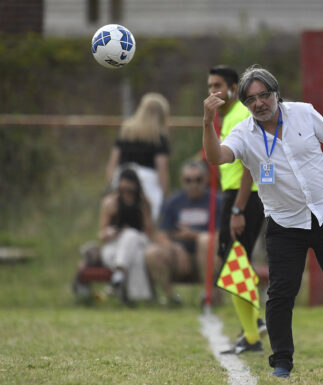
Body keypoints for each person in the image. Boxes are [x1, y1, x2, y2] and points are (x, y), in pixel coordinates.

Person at [202, 66, 323, 378]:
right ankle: (281, 361)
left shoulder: (304, 113)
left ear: (276, 93)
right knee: (282, 293)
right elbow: (216, 158)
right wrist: (206, 123)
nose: (259, 103)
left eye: (264, 95)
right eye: (251, 99)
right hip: (284, 223)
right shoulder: (243, 133)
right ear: (244, 104)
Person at [207, 65, 267, 354]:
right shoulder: (229, 116)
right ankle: (255, 325)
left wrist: (238, 209)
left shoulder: (241, 115)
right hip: (238, 197)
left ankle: (253, 334)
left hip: (244, 198)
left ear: (233, 88)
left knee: (234, 265)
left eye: (218, 85)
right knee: (236, 264)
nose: (212, 91)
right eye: (209, 86)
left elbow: (249, 167)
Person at [144, 161, 221, 305]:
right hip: (179, 257)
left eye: (198, 179)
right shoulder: (174, 202)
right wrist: (176, 249)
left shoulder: (216, 201)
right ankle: (169, 298)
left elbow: (220, 234)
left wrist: (194, 235)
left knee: (205, 240)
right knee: (152, 253)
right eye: (188, 180)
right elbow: (161, 234)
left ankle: (209, 294)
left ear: (206, 179)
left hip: (208, 256)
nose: (193, 184)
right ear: (182, 181)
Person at [106, 92, 171, 222]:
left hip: (122, 177)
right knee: (145, 219)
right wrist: (165, 195)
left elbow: (112, 163)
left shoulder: (126, 132)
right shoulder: (158, 137)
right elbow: (162, 170)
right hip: (147, 183)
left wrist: (111, 185)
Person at [99, 168, 155, 302]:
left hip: (139, 241)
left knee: (130, 234)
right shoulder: (110, 203)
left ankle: (118, 274)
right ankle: (138, 298)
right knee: (136, 258)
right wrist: (110, 232)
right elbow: (101, 233)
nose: (127, 194)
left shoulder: (144, 203)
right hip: (115, 245)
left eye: (130, 191)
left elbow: (148, 231)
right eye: (123, 190)